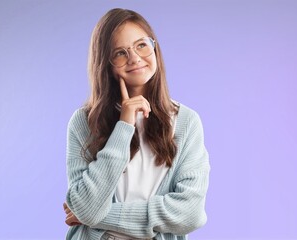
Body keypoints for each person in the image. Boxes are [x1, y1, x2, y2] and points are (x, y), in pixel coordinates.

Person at [63, 8, 210, 240]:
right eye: (120, 53)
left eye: (141, 45)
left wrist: (99, 215)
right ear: (106, 65)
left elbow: (190, 213)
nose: (134, 58)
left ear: (154, 47)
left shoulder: (186, 122)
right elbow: (87, 206)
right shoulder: (83, 122)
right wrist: (124, 125)